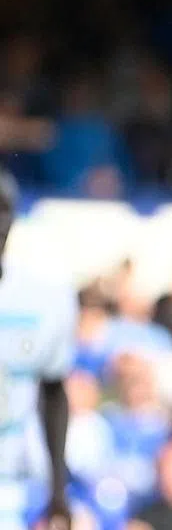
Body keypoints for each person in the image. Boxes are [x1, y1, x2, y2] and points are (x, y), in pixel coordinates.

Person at [0, 169, 75, 530]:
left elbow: (54, 393)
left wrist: (58, 490)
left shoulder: (45, 299)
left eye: (3, 208)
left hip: (12, 486)